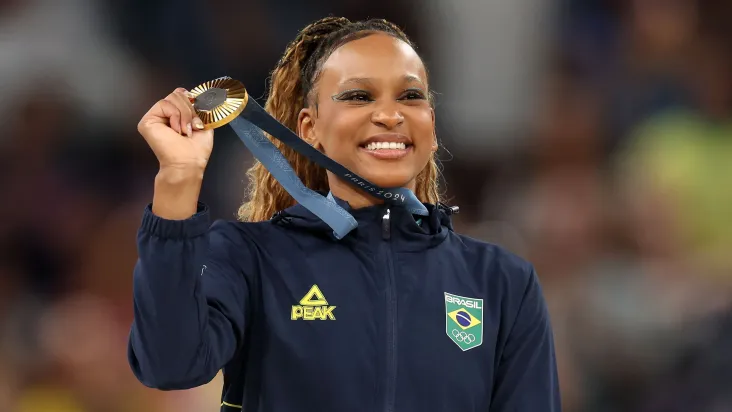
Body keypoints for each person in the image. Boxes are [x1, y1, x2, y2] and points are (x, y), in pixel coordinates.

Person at [128, 16, 561, 412]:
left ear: (431, 125)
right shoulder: (251, 258)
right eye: (359, 96)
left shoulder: (501, 282)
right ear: (310, 128)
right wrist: (179, 178)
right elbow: (169, 365)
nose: (389, 115)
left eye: (410, 96)